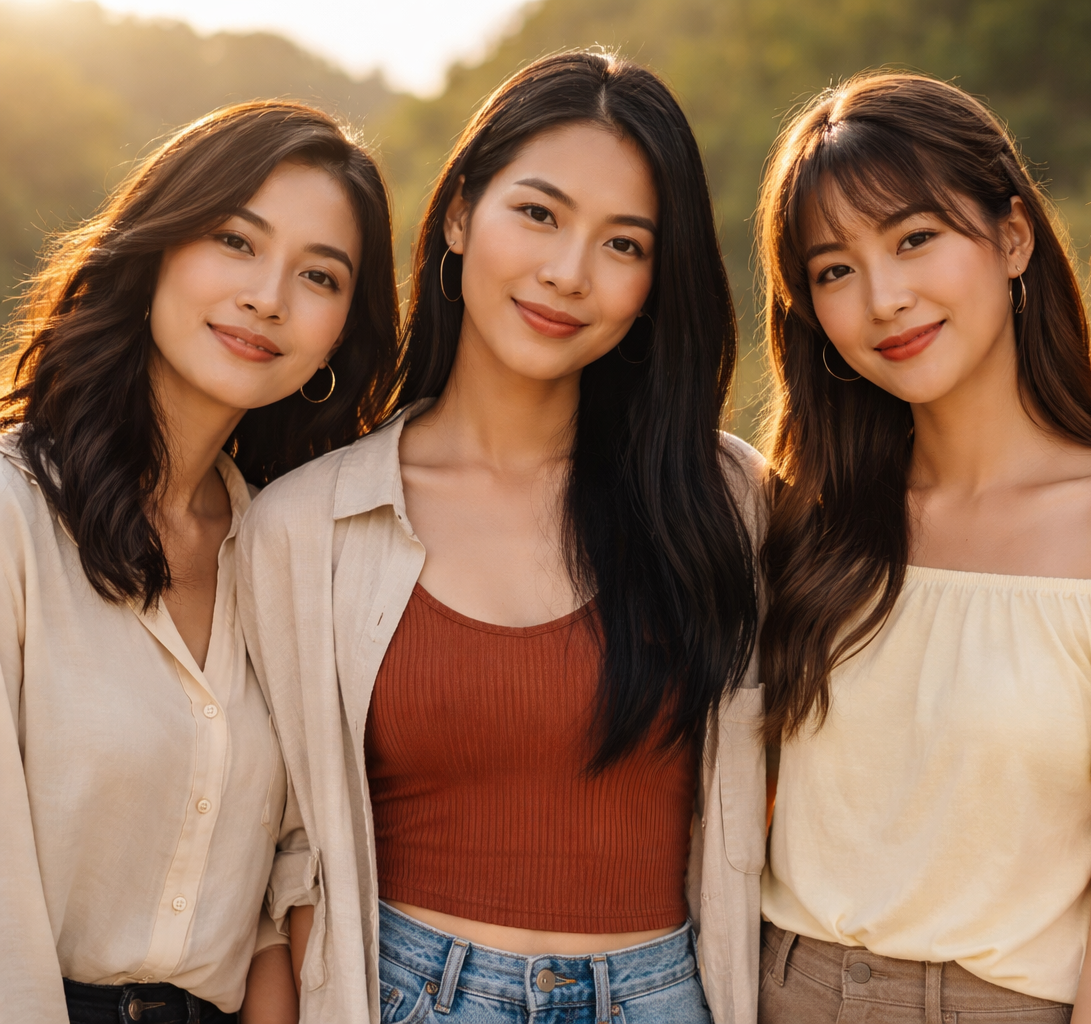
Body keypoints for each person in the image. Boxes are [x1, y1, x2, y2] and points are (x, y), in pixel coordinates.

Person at [237, 50, 766, 1024]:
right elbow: (281, 854)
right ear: (458, 214)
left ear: (657, 280)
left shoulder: (723, 500)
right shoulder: (306, 526)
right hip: (409, 993)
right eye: (538, 213)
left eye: (624, 244)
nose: (568, 273)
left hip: (662, 995)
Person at [752, 71, 1091, 1024]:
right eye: (835, 270)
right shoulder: (808, 519)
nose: (884, 298)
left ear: (1013, 237)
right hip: (774, 991)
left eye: (914, 239)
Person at [0, 101, 400, 1024]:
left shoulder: (289, 553)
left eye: (320, 275)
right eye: (235, 240)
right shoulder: (15, 515)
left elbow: (279, 881)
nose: (269, 297)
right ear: (157, 249)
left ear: (342, 331)